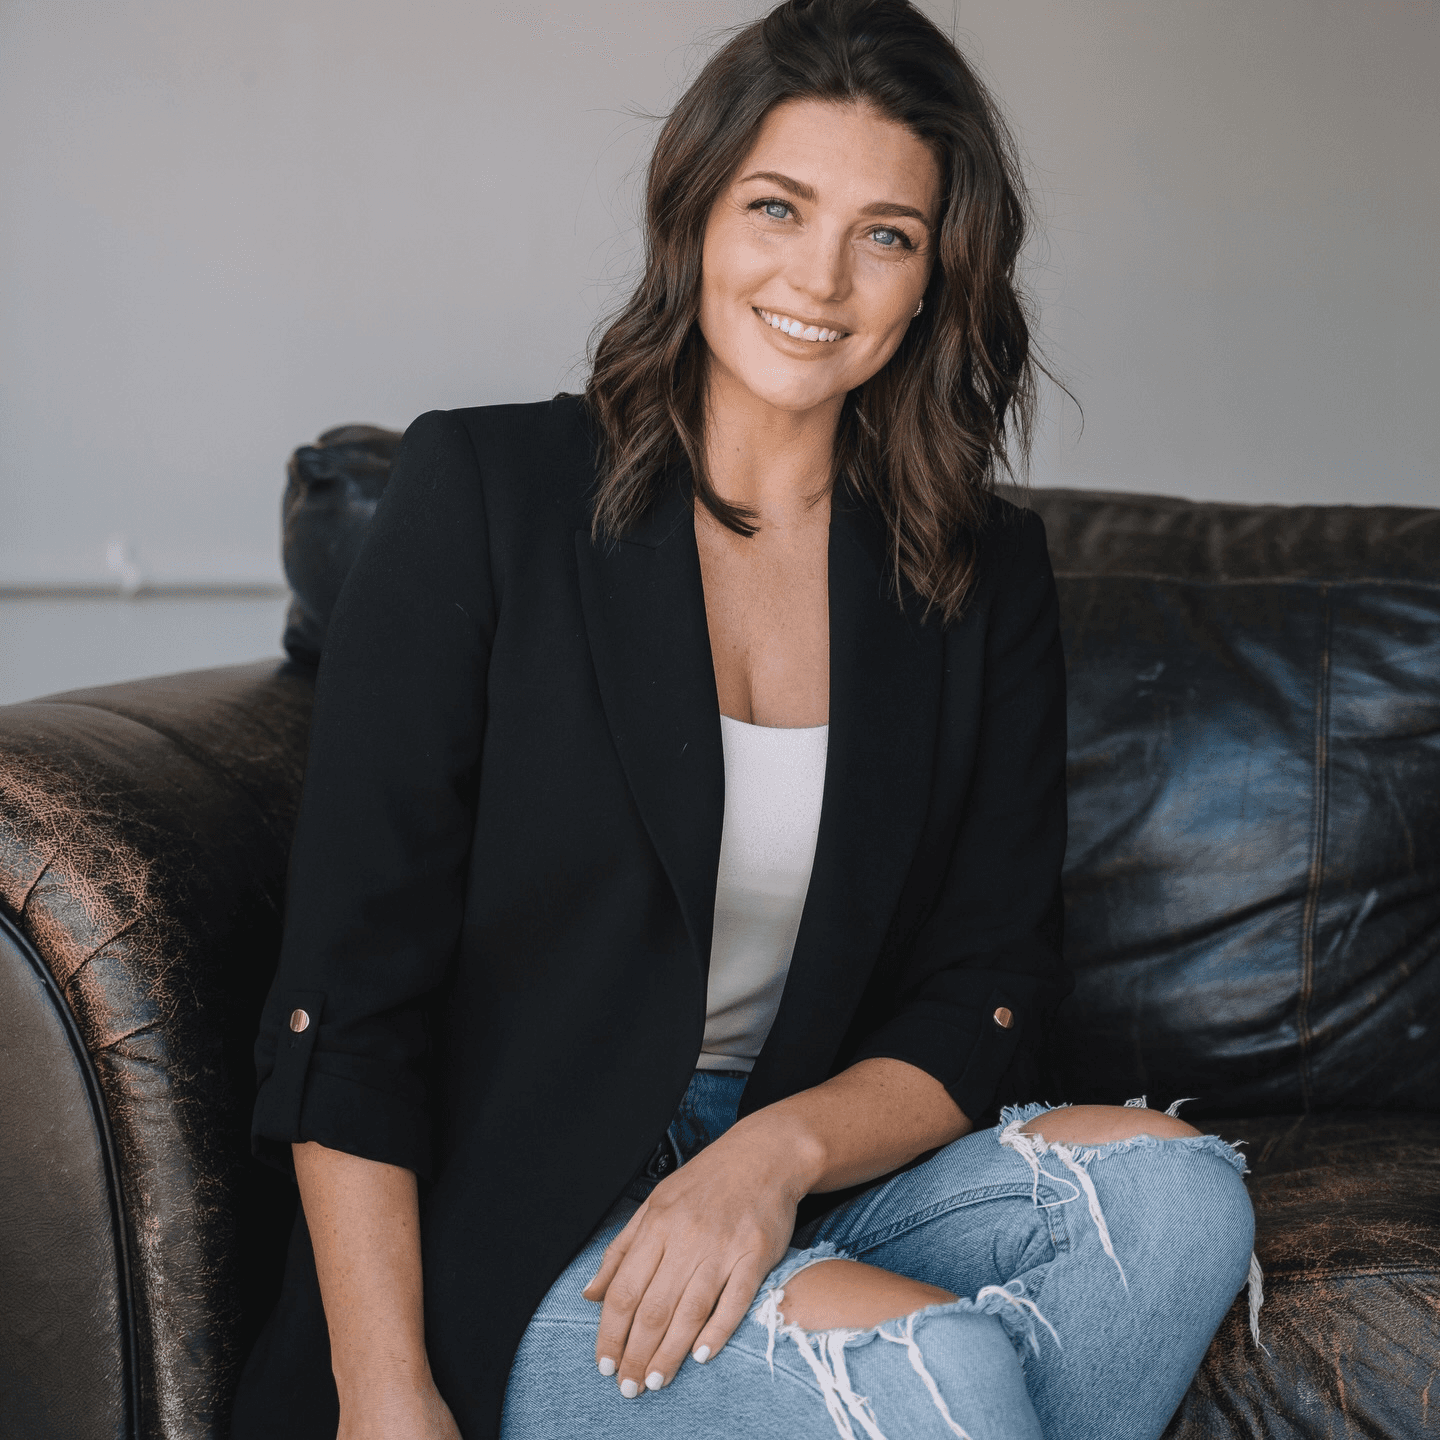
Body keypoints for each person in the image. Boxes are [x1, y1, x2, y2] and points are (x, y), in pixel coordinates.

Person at [232, 2, 1256, 1437]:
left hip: (812, 1180)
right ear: (699, 208)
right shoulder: (490, 495)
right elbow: (348, 998)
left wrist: (768, 1158)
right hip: (522, 1230)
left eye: (886, 235)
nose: (821, 277)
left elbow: (989, 984)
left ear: (933, 282)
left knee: (1178, 1198)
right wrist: (387, 1392)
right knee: (935, 1380)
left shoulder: (975, 570)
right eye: (780, 206)